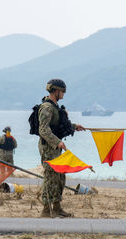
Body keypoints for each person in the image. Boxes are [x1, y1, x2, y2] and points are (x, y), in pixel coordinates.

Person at [38, 79, 85, 218]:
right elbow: (43, 129)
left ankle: (57, 207)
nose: (64, 94)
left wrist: (74, 126)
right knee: (50, 176)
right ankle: (46, 209)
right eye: (62, 91)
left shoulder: (55, 106)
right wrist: (57, 142)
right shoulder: (46, 107)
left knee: (60, 176)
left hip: (56, 147)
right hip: (48, 147)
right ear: (55, 91)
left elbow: (57, 125)